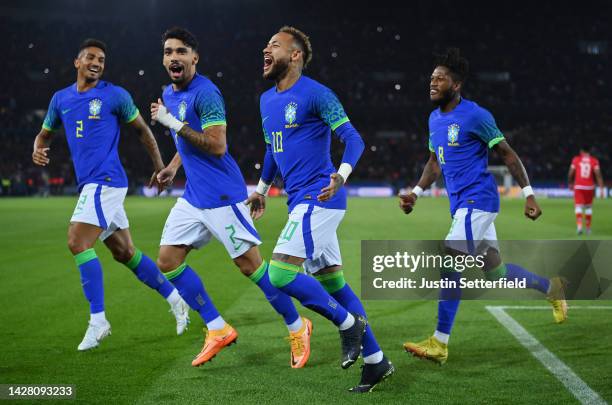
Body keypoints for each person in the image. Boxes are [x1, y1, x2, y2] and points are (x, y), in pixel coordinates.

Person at [150, 27, 309, 368]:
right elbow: (187, 140)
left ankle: (298, 327)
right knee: (167, 260)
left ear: (194, 57)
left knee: (251, 267)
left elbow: (217, 144)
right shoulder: (170, 93)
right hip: (193, 196)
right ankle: (217, 327)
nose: (173, 57)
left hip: (223, 195)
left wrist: (172, 125)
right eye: (168, 52)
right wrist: (173, 167)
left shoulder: (206, 93)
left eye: (180, 51)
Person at [246, 26, 393, 392]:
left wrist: (341, 176)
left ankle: (347, 325)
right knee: (335, 284)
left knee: (279, 273)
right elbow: (271, 149)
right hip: (298, 200)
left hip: (320, 198)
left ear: (295, 55)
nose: (266, 49)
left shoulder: (316, 94)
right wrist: (262, 189)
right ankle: (376, 362)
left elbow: (353, 139)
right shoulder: (266, 101)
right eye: (266, 44)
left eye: (274, 45)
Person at [398, 48, 568, 365]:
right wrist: (417, 192)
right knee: (496, 273)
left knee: (449, 260)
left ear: (457, 84)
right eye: (431, 78)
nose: (432, 83)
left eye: (440, 79)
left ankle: (439, 343)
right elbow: (435, 163)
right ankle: (551, 287)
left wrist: (529, 193)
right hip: (463, 205)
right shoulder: (434, 119)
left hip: (479, 200)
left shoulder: (476, 115)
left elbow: (507, 153)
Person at [32, 38, 189, 351]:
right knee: (125, 253)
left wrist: (159, 166)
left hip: (106, 180)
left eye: (101, 59)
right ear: (77, 62)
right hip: (90, 183)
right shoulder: (60, 99)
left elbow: (144, 131)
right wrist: (37, 147)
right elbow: (45, 133)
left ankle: (98, 320)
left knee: (77, 241)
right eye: (91, 57)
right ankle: (177, 300)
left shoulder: (115, 95)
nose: (97, 63)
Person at [568, 146, 605, 235]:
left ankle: (579, 227)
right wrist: (601, 188)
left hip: (579, 186)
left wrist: (570, 182)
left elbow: (571, 172)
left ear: (581, 151)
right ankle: (588, 229)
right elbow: (598, 174)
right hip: (590, 187)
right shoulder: (594, 160)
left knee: (578, 207)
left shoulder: (576, 159)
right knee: (588, 207)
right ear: (589, 151)